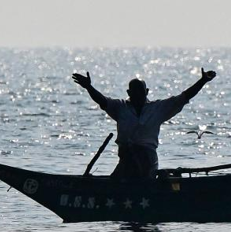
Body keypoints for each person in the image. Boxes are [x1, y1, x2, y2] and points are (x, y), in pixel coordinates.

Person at [72, 69, 216, 180]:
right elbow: (102, 101)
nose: (138, 95)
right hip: (126, 160)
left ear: (147, 92)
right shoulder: (120, 107)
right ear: (129, 92)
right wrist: (88, 87)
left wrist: (202, 81)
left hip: (147, 160)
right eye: (135, 92)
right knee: (118, 178)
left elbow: (184, 96)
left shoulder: (158, 108)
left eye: (141, 92)